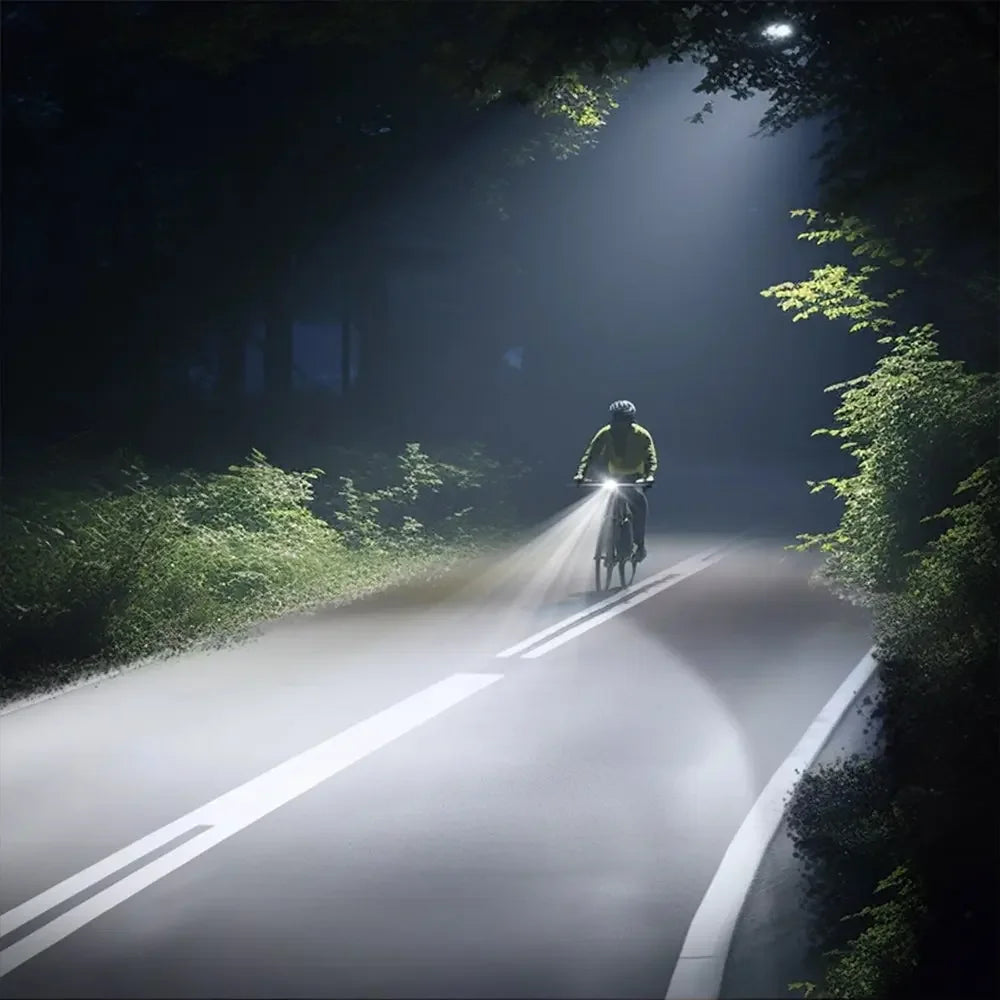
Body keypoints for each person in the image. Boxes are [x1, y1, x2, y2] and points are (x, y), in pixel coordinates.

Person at [573, 399, 658, 561]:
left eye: (623, 419)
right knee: (606, 505)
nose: (620, 423)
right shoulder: (605, 433)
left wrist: (649, 476)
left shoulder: (641, 435)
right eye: (617, 419)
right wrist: (581, 474)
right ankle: (608, 537)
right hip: (613, 477)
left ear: (631, 420)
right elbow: (591, 454)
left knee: (639, 504)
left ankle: (639, 545)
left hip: (634, 479)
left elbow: (650, 457)